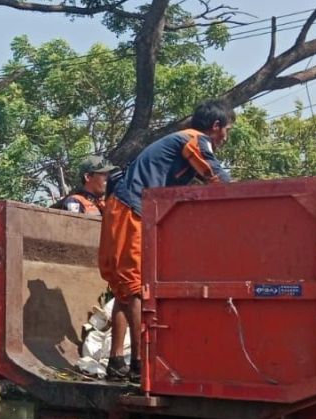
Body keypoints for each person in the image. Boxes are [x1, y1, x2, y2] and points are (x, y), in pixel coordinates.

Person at [98, 103, 232, 382]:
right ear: (216, 126)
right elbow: (217, 178)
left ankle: (116, 362)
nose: (226, 137)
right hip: (131, 208)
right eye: (227, 130)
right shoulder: (195, 139)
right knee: (133, 287)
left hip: (123, 207)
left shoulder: (174, 143)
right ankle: (140, 363)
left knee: (124, 288)